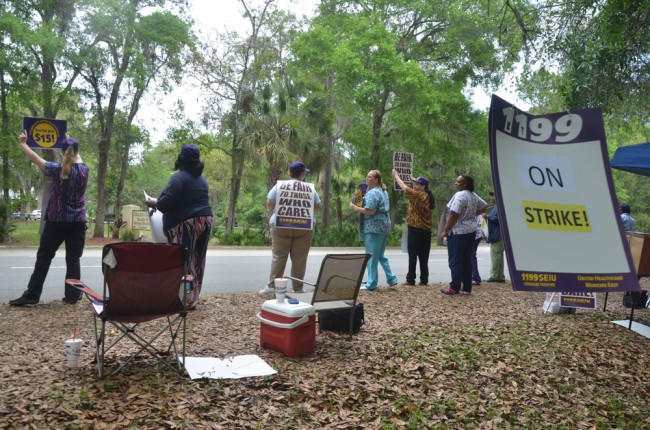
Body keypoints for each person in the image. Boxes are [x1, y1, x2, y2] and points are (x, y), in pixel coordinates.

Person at [10, 131, 89, 306]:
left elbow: (35, 158)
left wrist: (23, 143)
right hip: (78, 221)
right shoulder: (84, 170)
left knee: (44, 256)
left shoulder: (57, 169)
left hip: (57, 220)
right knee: (73, 258)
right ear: (77, 151)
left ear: (62, 152)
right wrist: (69, 139)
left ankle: (32, 295)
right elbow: (76, 156)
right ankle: (73, 296)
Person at [145, 144, 213, 308]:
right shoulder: (202, 180)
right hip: (206, 219)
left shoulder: (177, 178)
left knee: (185, 259)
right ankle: (194, 296)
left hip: (186, 223)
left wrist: (155, 203)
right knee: (198, 258)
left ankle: (186, 300)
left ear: (181, 160)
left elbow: (169, 201)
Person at [260, 161, 321, 294]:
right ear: (302, 174)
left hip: (281, 224)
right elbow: (318, 206)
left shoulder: (280, 186)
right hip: (304, 227)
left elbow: (269, 203)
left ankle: (272, 286)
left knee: (279, 256)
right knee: (300, 258)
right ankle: (298, 288)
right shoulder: (309, 188)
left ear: (289, 173)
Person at [349, 170, 398, 291]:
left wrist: (356, 208)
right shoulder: (383, 191)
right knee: (380, 255)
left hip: (374, 228)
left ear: (376, 180)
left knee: (370, 256)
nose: (366, 179)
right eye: (366, 176)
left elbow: (371, 211)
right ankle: (392, 279)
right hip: (384, 227)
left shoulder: (373, 193)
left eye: (369, 177)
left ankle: (371, 284)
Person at [440, 175, 487, 295]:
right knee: (467, 259)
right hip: (471, 231)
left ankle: (454, 286)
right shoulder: (473, 195)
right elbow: (484, 205)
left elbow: (454, 213)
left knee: (455, 260)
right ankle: (467, 287)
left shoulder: (460, 195)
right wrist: (473, 214)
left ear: (465, 184)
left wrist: (446, 230)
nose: (456, 183)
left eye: (458, 181)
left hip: (458, 232)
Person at [391, 169, 435, 286]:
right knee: (424, 256)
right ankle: (424, 279)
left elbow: (403, 187)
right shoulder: (427, 195)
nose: (415, 185)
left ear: (422, 186)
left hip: (415, 229)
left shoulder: (418, 195)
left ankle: (410, 279)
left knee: (413, 254)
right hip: (426, 231)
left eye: (417, 184)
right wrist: (415, 179)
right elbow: (418, 185)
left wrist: (396, 176)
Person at [484, 192, 506, 283]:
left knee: (496, 255)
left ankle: (494, 276)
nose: (491, 198)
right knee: (499, 256)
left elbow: (500, 219)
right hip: (496, 235)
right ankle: (500, 276)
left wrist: (487, 216)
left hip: (499, 235)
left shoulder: (501, 207)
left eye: (493, 196)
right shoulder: (496, 207)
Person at [471, 214, 484, 285]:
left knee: (471, 256)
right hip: (477, 234)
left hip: (474, 235)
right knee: (471, 255)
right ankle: (475, 277)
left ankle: (475, 277)